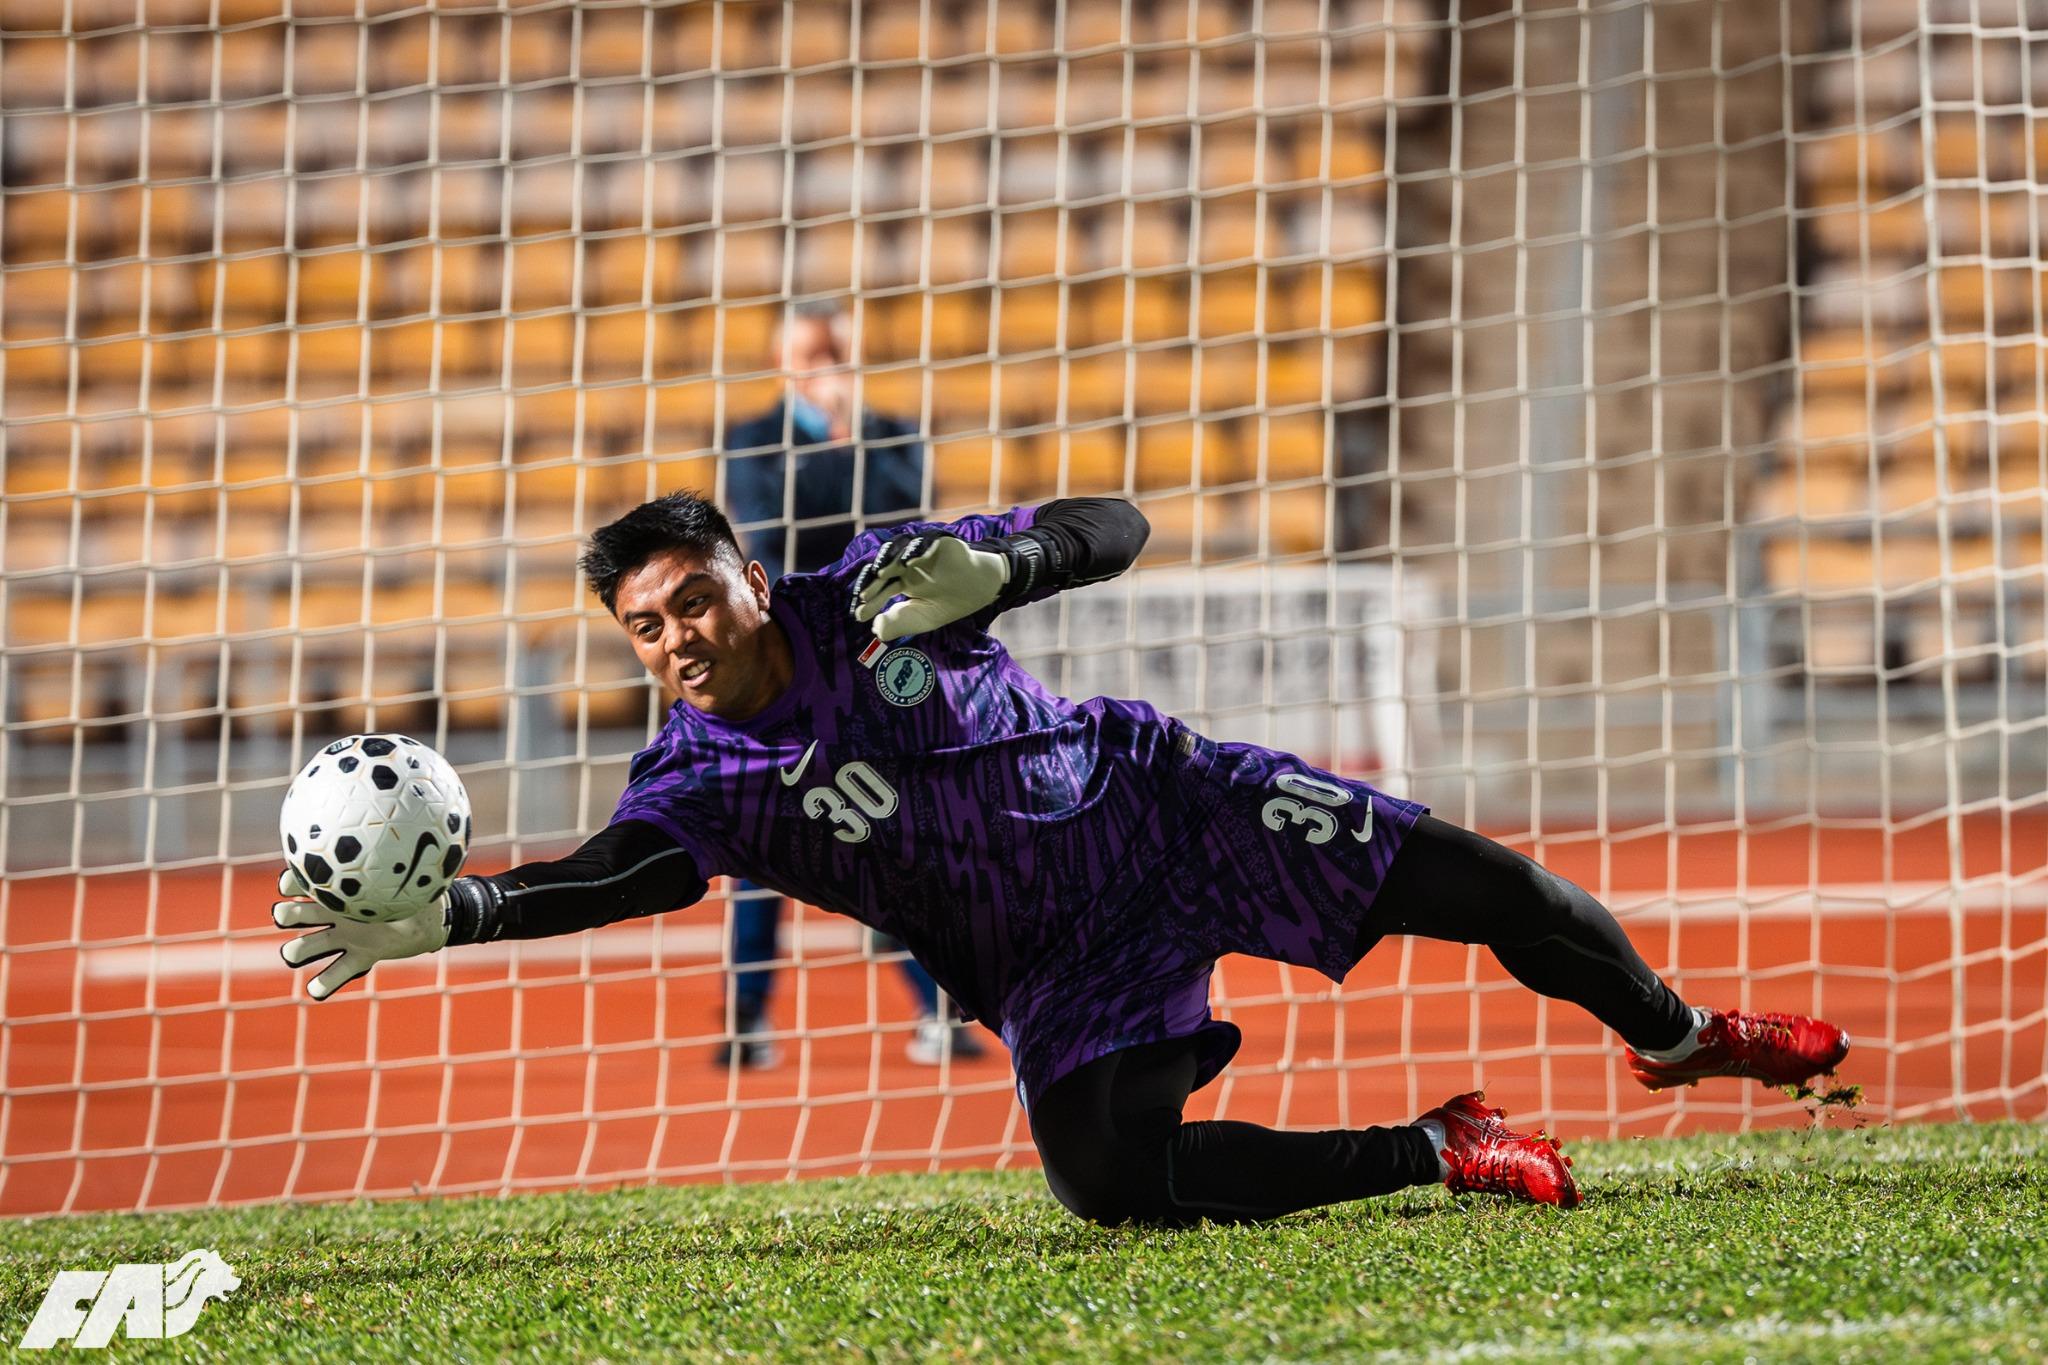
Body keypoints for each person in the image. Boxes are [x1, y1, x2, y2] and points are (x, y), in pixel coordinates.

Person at [274, 493, 1852, 1223]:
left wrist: (1007, 561)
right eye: (648, 624)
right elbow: (616, 875)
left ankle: (1679, 1034)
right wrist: (456, 918)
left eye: (697, 598)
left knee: (1499, 892)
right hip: (1057, 962)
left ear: (753, 576)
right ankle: (1439, 1146)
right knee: (1113, 1185)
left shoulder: (885, 585)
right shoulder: (698, 781)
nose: (680, 636)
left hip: (1165, 803)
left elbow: (1123, 524)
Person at [717, 300, 978, 1069]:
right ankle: (746, 1015)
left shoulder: (891, 435)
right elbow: (771, 526)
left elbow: (902, 521)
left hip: (873, 673)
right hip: (781, 675)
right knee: (760, 845)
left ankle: (937, 1008)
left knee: (888, 837)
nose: (824, 366)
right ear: (783, 362)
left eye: (834, 350)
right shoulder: (753, 439)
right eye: (810, 352)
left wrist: (847, 436)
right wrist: (832, 445)